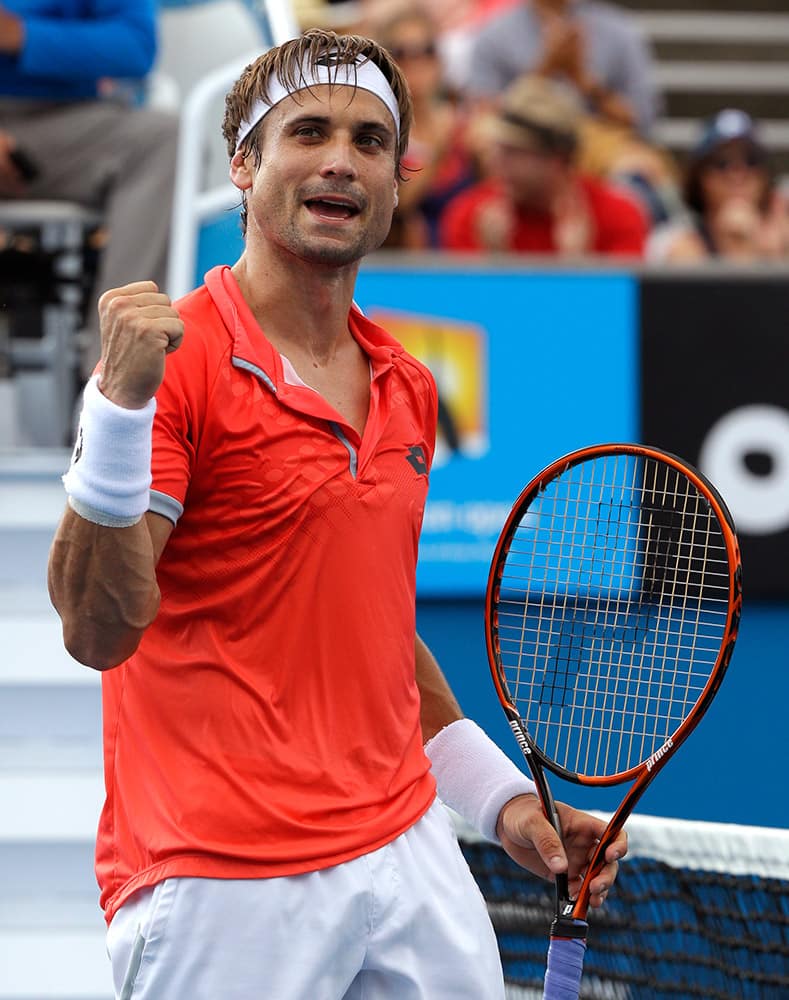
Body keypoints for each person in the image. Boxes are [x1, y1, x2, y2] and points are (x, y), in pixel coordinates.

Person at [47, 28, 626, 999]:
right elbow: (99, 631)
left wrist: (505, 806)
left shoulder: (404, 382)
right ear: (242, 164)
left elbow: (374, 635)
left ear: (399, 183)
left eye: (368, 142)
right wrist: (115, 415)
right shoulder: (174, 365)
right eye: (308, 132)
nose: (339, 161)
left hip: (406, 848)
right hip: (220, 875)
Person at [0, 0, 178, 378]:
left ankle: (113, 376)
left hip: (62, 125)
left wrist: (24, 36)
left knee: (162, 139)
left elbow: (135, 47)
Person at [440, 73, 647, 257]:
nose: (496, 162)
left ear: (557, 160)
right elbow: (464, 300)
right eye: (499, 148)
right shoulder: (470, 216)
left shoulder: (618, 216)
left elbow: (618, 300)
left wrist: (578, 268)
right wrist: (493, 262)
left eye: (514, 152)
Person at [464, 0, 661, 137]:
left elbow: (643, 120)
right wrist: (544, 71)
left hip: (595, 140)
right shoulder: (493, 35)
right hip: (519, 142)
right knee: (485, 139)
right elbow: (481, 118)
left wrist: (583, 80)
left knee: (641, 166)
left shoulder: (619, 31)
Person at [372, 5, 479, 248]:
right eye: (402, 52)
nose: (416, 62)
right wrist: (440, 151)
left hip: (464, 259)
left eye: (426, 51)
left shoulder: (465, 125)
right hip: (403, 264)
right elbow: (401, 204)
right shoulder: (375, 131)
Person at [647, 108, 789, 263]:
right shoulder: (672, 243)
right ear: (700, 176)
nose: (737, 173)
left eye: (751, 160)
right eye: (721, 163)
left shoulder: (783, 238)